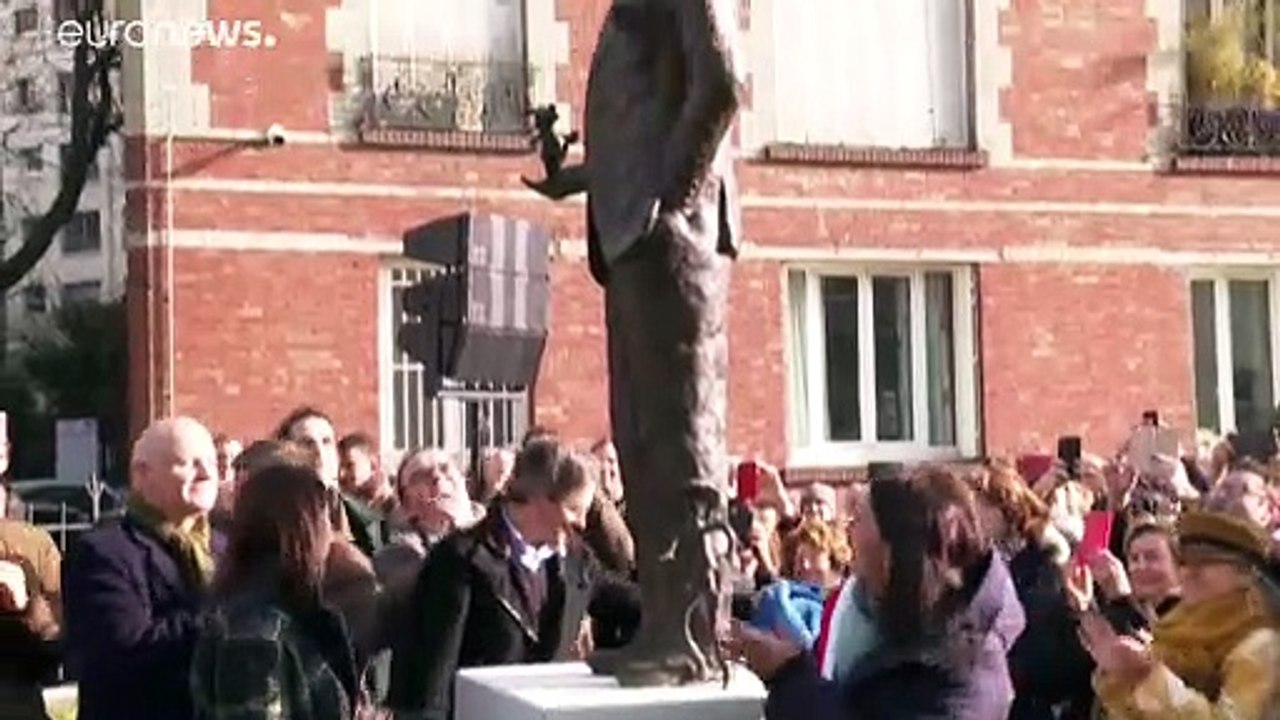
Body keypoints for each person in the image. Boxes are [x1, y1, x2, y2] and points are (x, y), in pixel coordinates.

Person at [730, 466, 1026, 720]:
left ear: (892, 549)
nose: (849, 531)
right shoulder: (885, 619)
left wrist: (790, 674)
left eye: (859, 519)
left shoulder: (963, 666)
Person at [387, 437, 599, 720]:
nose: (581, 523)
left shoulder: (575, 562)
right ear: (539, 499)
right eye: (574, 509)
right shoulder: (458, 562)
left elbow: (622, 598)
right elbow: (429, 686)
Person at [63, 417, 219, 720]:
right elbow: (123, 651)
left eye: (212, 461)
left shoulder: (227, 545)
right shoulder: (105, 552)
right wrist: (223, 614)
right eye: (189, 464)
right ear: (142, 474)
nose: (207, 473)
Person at [191, 463, 361, 720]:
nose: (331, 532)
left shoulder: (299, 614)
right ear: (303, 525)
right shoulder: (252, 630)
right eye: (325, 517)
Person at [1083, 508, 1280, 718]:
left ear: (1246, 574)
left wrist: (1149, 677)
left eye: (1205, 562)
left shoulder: (1261, 644)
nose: (1189, 572)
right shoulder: (1173, 628)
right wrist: (1121, 674)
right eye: (1184, 562)